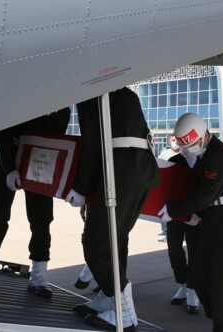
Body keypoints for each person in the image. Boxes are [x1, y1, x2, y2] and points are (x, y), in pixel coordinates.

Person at [66, 87, 159, 331]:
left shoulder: (92, 90)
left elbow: (93, 143)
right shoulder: (127, 93)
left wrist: (82, 188)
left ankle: (125, 313)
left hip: (121, 175)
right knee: (115, 241)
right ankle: (110, 298)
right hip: (140, 173)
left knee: (95, 244)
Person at [159, 113, 223, 332]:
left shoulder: (218, 157)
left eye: (192, 145)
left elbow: (203, 197)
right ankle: (222, 320)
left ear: (204, 135)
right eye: (184, 146)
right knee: (199, 277)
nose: (188, 151)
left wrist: (173, 210)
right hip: (215, 227)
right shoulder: (205, 153)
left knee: (221, 288)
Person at [0, 107, 71, 299]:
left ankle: (39, 277)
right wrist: (10, 169)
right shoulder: (25, 99)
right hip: (9, 160)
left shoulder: (63, 108)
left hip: (38, 163)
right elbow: (1, 134)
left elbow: (57, 140)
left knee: (41, 220)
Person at [164, 152, 201, 315]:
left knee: (195, 252)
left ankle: (193, 290)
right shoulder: (174, 160)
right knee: (174, 249)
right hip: (176, 213)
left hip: (196, 214)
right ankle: (183, 284)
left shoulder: (205, 159)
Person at [157, 135, 181, 242]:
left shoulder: (183, 155)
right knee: (164, 211)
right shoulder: (164, 154)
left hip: (179, 189)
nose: (175, 142)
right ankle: (166, 232)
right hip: (167, 188)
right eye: (173, 140)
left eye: (176, 140)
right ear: (169, 142)